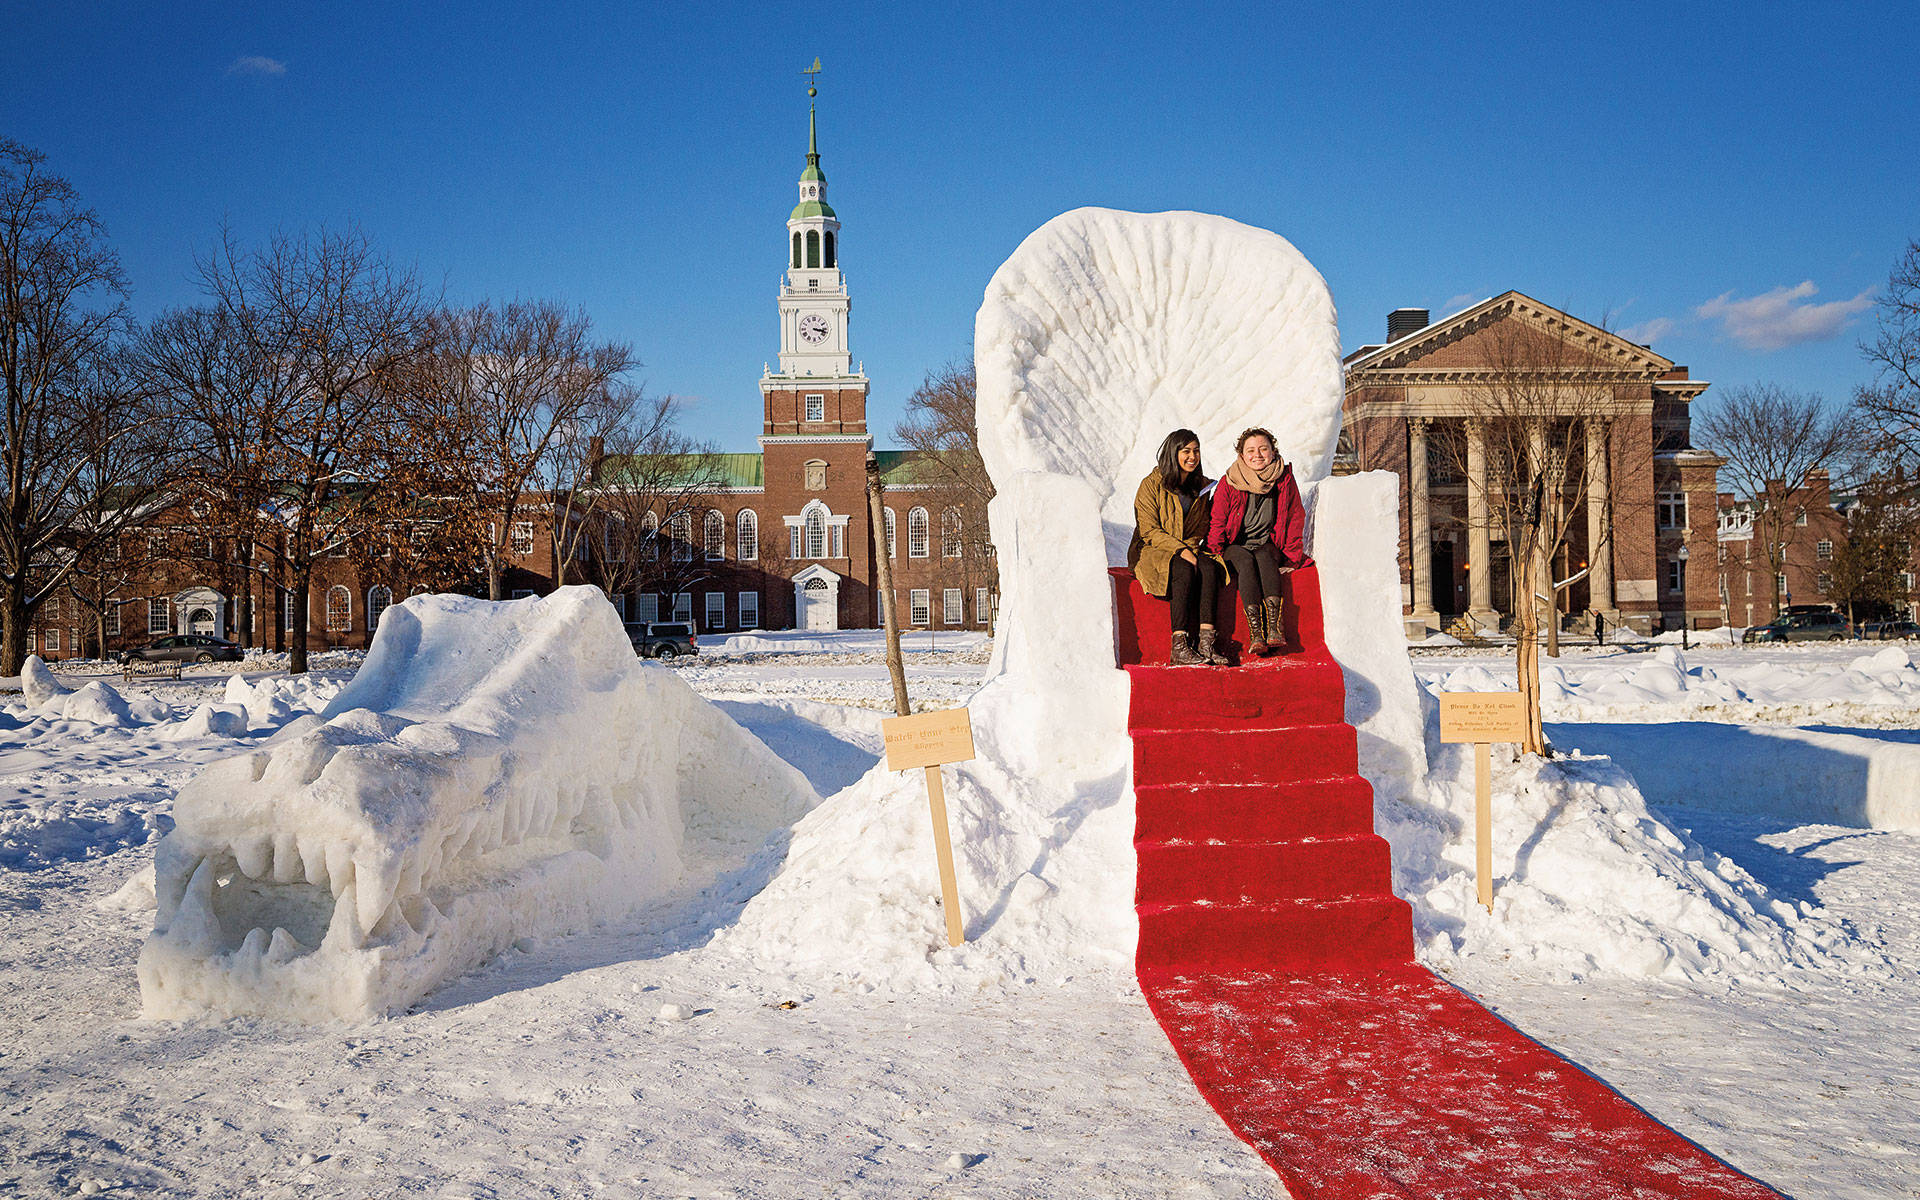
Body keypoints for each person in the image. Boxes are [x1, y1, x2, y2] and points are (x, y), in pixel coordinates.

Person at [1128, 429, 1228, 666]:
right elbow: (1149, 530)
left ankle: (1206, 644)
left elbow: (1200, 529)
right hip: (1150, 549)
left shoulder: (1201, 488)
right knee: (1184, 567)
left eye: (1196, 451)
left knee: (1209, 566)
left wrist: (1190, 548)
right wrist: (1181, 550)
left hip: (1187, 548)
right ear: (1173, 453)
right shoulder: (1151, 485)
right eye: (1186, 451)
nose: (1192, 456)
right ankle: (1180, 646)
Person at [1208, 426, 1309, 658]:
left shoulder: (1283, 480)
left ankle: (1275, 627)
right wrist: (1214, 553)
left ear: (1273, 451)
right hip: (1236, 546)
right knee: (1245, 560)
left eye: (1264, 449)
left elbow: (1295, 516)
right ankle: (1256, 633)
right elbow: (1217, 521)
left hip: (1267, 543)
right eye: (1251, 450)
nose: (1258, 455)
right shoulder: (1229, 482)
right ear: (1242, 455)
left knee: (1264, 556)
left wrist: (1292, 557)